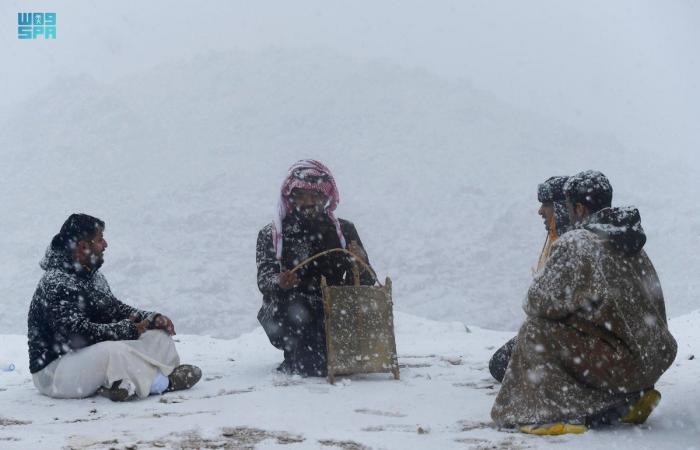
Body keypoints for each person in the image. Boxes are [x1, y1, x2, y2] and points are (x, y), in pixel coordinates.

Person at [491, 170, 677, 435]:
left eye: (566, 207)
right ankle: (630, 397)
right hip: (651, 360)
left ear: (578, 208)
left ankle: (561, 411)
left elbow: (537, 302)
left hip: (622, 364)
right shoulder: (630, 240)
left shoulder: (578, 242)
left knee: (536, 330)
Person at [27, 214, 202, 401]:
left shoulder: (92, 275)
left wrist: (150, 319)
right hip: (54, 372)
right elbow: (75, 335)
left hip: (86, 360)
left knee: (158, 337)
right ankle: (164, 383)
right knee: (113, 351)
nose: (105, 244)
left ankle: (118, 384)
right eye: (100, 239)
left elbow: (114, 309)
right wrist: (126, 329)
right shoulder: (56, 282)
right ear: (83, 246)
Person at [256, 160, 375, 376]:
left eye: (316, 195)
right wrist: (280, 282)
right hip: (291, 314)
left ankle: (325, 352)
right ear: (290, 197)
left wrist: (361, 263)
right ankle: (299, 356)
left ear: (326, 197)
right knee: (298, 315)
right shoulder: (272, 235)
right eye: (301, 195)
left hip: (335, 312)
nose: (309, 202)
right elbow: (264, 281)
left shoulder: (344, 230)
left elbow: (366, 281)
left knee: (326, 360)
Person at [488, 176, 570, 382]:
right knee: (501, 363)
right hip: (554, 331)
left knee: (501, 365)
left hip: (563, 335)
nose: (540, 211)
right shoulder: (556, 239)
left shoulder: (568, 246)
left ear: (561, 207)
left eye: (546, 205)